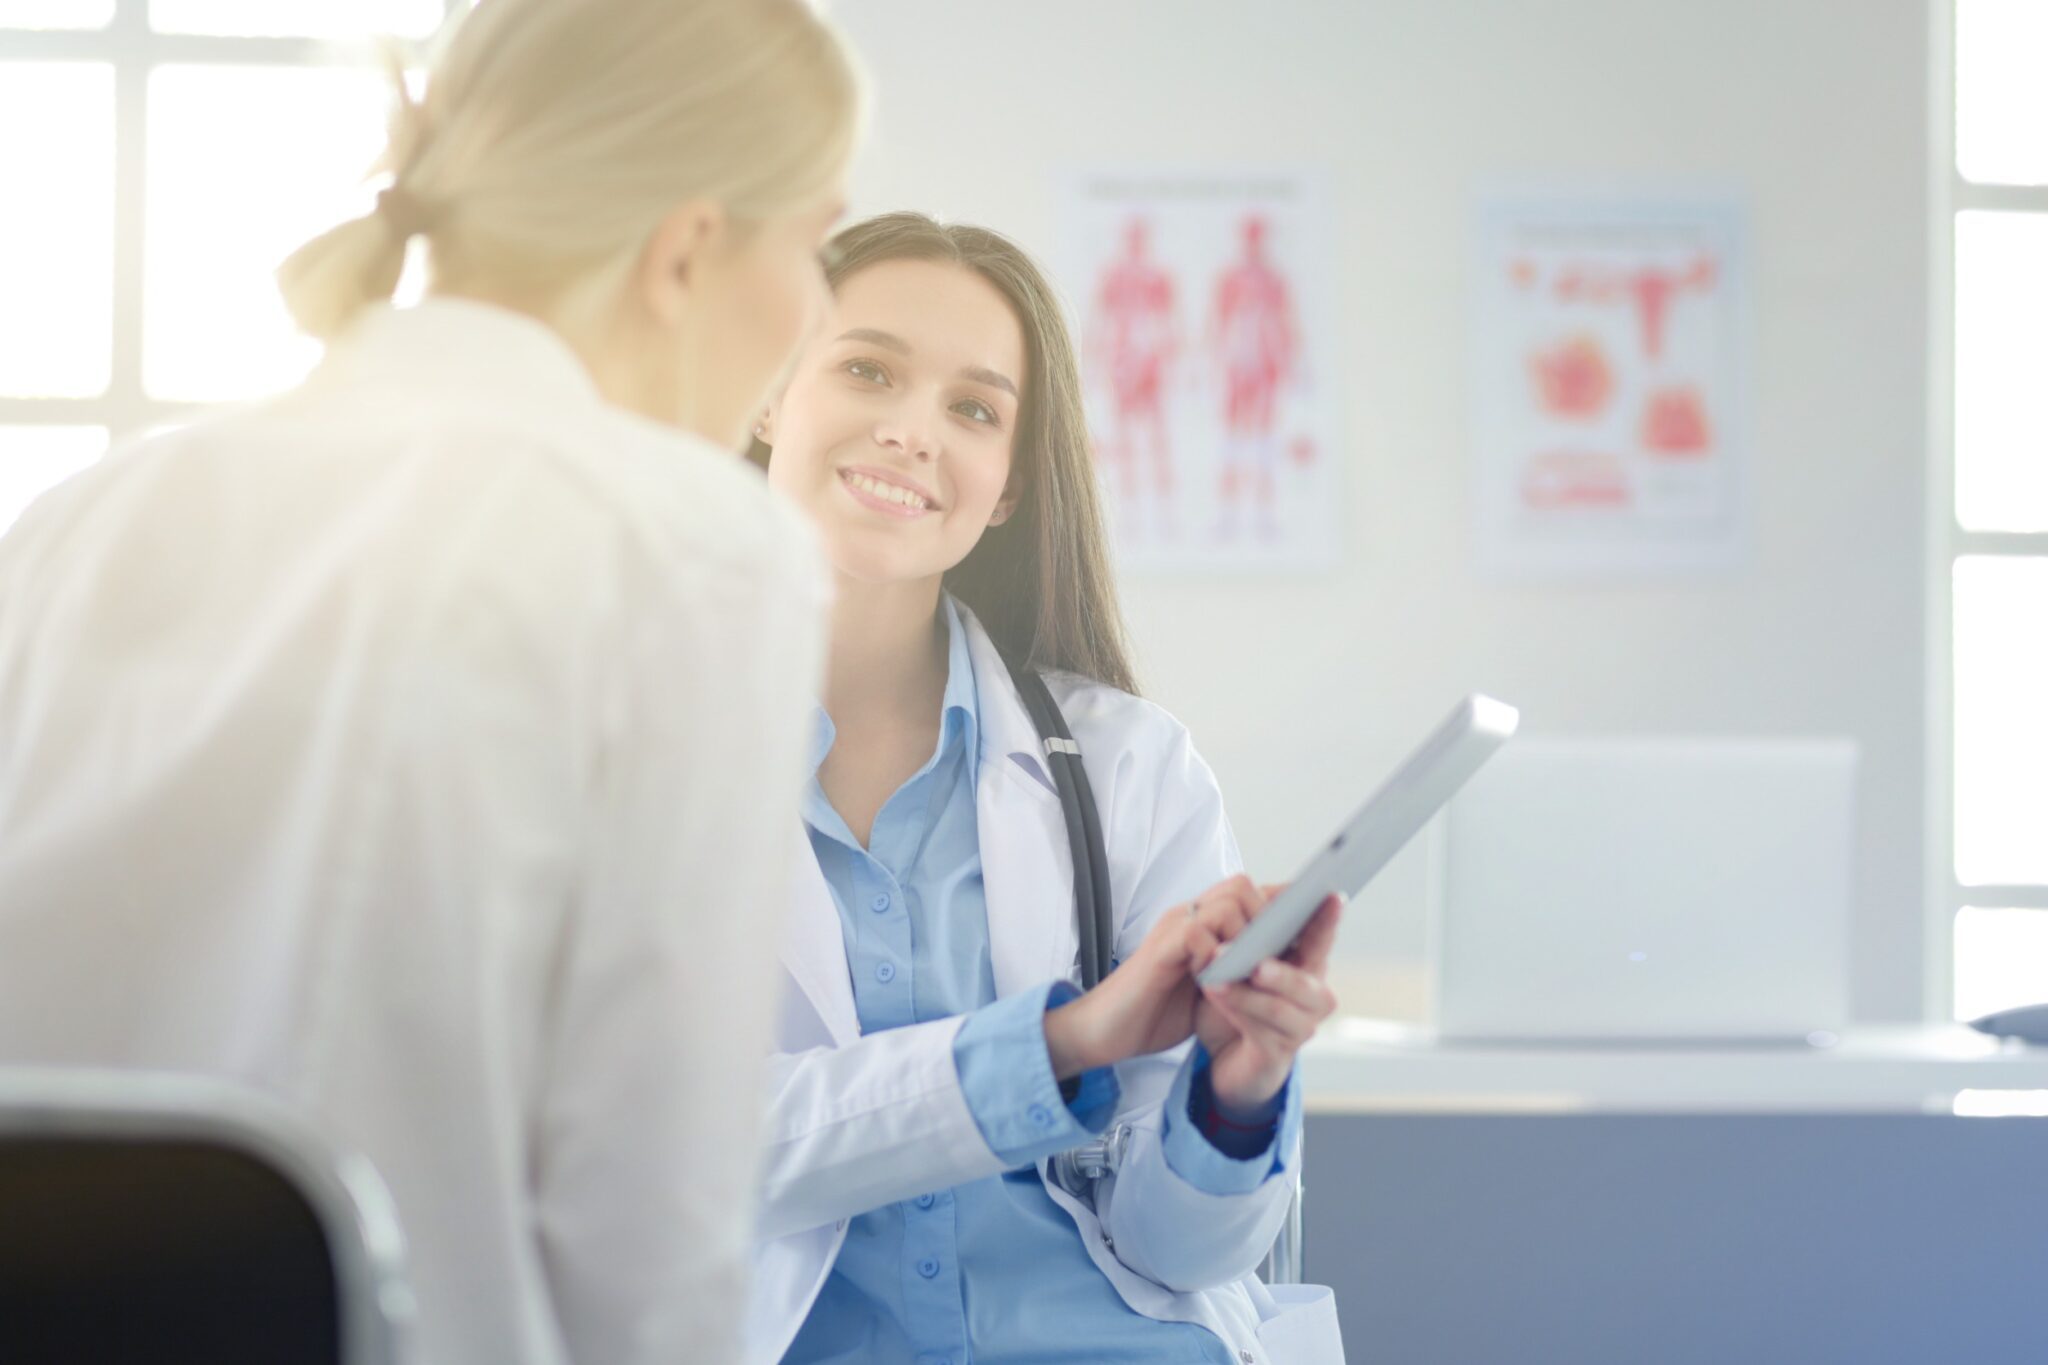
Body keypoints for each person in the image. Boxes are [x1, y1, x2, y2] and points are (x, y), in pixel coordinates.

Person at [0, 3, 861, 1362]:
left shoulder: (81, 519)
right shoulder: (693, 548)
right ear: (688, 250)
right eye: (818, 244)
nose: (813, 320)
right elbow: (646, 1235)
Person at [745, 213, 1347, 1364]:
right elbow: (671, 1162)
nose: (913, 431)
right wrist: (1061, 1044)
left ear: (1011, 484)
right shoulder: (633, 753)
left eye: (973, 409)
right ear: (771, 395)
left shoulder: (1129, 767)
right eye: (867, 368)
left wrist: (1234, 1091)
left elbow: (1184, 1254)